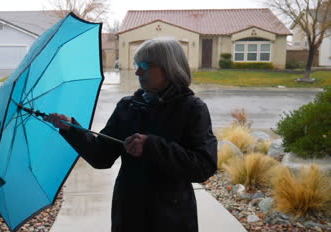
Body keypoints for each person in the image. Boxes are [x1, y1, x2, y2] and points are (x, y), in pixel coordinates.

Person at [45, 37, 218, 232]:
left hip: (172, 217)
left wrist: (152, 146)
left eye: (144, 65)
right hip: (129, 214)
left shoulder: (192, 108)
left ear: (169, 67)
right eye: (137, 65)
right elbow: (101, 157)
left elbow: (203, 166)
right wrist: (72, 129)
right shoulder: (128, 106)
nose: (137, 71)